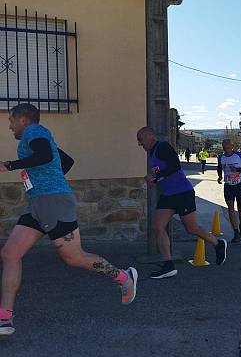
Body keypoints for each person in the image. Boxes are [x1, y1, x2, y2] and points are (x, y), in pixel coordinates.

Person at [0, 104, 138, 336]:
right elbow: (64, 160)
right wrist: (50, 177)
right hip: (38, 204)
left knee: (74, 258)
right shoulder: (41, 136)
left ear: (23, 120)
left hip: (54, 203)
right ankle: (5, 318)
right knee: (10, 254)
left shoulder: (34, 132)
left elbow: (43, 155)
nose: (10, 125)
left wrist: (9, 165)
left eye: (11, 120)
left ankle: (124, 277)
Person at [137, 127, 227, 279]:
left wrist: (156, 176)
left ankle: (218, 244)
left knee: (191, 228)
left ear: (150, 135)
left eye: (140, 139)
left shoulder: (162, 147)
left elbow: (175, 166)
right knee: (158, 227)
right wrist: (153, 177)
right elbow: (162, 172)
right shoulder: (152, 152)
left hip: (182, 193)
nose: (139, 143)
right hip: (168, 195)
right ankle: (168, 264)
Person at [217, 139, 241, 243]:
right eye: (225, 148)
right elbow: (219, 167)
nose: (227, 150)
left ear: (232, 147)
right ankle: (236, 232)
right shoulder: (221, 157)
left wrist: (237, 170)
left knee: (240, 208)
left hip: (239, 185)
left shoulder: (239, 156)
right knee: (230, 209)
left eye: (229, 148)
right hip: (228, 186)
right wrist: (219, 176)